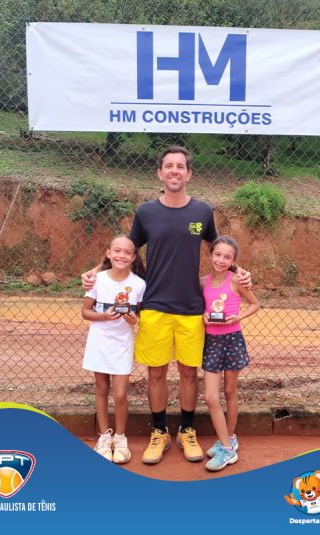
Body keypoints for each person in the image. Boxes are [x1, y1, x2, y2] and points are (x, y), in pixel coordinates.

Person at [82, 145, 251, 465]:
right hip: (155, 305)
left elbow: (219, 249)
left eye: (180, 166)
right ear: (160, 173)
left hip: (191, 308)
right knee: (156, 373)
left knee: (189, 373)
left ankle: (186, 430)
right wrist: (95, 271)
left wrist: (239, 272)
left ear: (189, 174)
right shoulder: (146, 212)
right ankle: (159, 432)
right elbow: (124, 250)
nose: (174, 171)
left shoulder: (202, 212)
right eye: (169, 166)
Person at [81, 235, 146, 464]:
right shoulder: (97, 280)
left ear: (134, 257)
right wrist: (103, 316)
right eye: (116, 251)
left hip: (122, 344)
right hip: (99, 341)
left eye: (127, 252)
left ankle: (120, 438)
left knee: (120, 394)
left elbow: (138, 316)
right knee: (101, 389)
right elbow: (85, 312)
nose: (121, 255)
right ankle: (104, 437)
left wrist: (133, 320)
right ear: (108, 253)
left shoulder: (139, 284)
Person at [202, 236, 260, 471]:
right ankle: (227, 445)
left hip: (232, 339)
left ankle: (229, 441)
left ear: (233, 261)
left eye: (227, 257)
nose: (221, 260)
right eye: (217, 255)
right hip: (211, 342)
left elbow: (255, 304)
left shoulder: (236, 281)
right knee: (210, 397)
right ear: (210, 255)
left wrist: (238, 317)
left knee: (229, 391)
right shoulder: (203, 282)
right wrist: (202, 316)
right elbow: (200, 308)